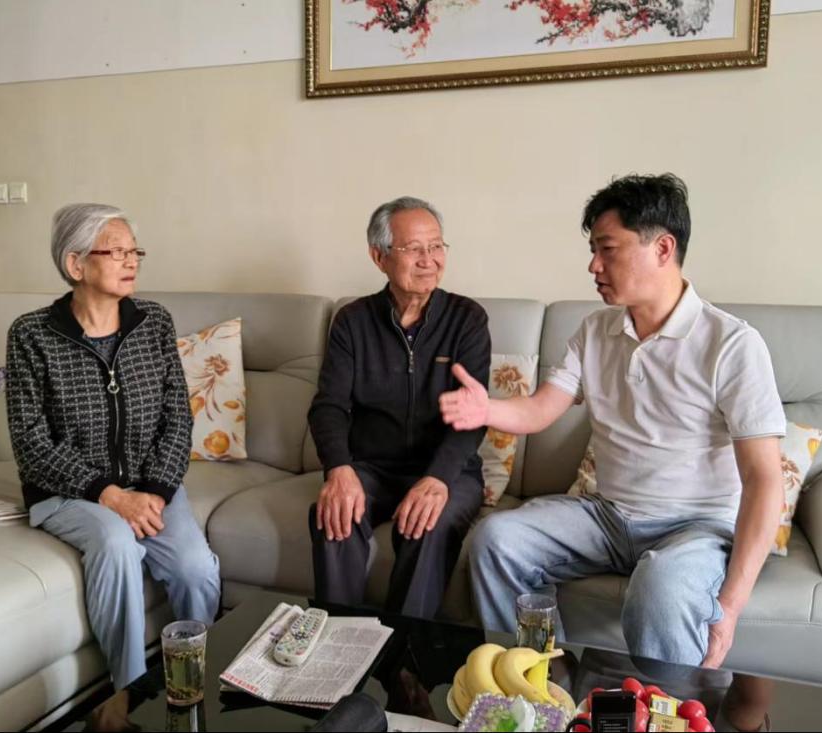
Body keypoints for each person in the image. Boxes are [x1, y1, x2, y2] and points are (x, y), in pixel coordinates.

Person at [440, 175, 783, 731]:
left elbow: (764, 480)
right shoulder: (596, 330)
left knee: (663, 588)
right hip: (607, 514)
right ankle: (544, 688)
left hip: (695, 526)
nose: (593, 266)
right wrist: (488, 410)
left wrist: (731, 607)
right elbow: (542, 409)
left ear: (663, 248)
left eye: (607, 249)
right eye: (593, 250)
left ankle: (670, 715)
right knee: (496, 541)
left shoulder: (732, 345)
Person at [6, 204, 219, 731]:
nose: (131, 261)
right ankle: (122, 694)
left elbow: (177, 416)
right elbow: (31, 442)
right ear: (75, 264)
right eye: (116, 251)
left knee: (195, 567)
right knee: (118, 543)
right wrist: (108, 493)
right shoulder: (32, 334)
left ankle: (198, 681)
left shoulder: (153, 322)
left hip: (149, 487)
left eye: (133, 251)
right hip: (70, 492)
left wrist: (156, 490)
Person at [308, 196, 491, 620]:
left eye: (437, 246)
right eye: (414, 249)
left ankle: (404, 649)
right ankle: (339, 637)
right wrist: (339, 469)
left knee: (427, 524)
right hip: (372, 468)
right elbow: (328, 406)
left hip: (448, 471)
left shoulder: (467, 319)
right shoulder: (352, 321)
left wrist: (437, 478)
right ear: (380, 257)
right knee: (332, 514)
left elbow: (472, 416)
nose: (429, 260)